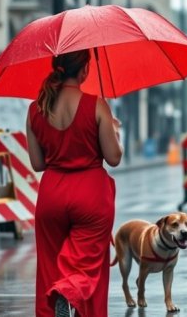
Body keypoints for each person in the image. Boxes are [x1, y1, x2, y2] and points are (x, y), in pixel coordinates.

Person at [26, 49, 123, 317]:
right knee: (86, 267)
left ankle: (56, 299)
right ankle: (67, 293)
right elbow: (113, 157)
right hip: (90, 195)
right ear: (84, 70)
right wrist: (113, 130)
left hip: (52, 195)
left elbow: (37, 163)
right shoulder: (96, 105)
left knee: (49, 266)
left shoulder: (36, 108)